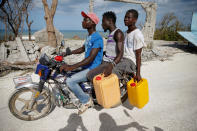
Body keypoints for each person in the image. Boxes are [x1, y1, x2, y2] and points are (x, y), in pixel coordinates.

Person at [60, 11, 103, 115]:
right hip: (88, 65)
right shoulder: (89, 36)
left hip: (93, 67)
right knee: (67, 73)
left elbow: (90, 59)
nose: (82, 21)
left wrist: (71, 66)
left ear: (92, 23)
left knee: (70, 81)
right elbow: (83, 48)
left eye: (85, 20)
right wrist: (67, 53)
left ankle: (86, 100)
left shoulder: (97, 38)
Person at [87, 11, 124, 81]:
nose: (102, 24)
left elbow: (120, 53)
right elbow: (111, 50)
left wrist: (112, 65)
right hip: (105, 61)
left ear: (110, 21)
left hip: (108, 63)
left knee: (90, 75)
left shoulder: (118, 33)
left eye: (103, 21)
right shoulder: (111, 33)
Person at [123, 9, 146, 82]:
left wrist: (138, 73)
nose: (125, 19)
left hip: (131, 61)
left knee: (114, 71)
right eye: (125, 17)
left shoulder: (137, 34)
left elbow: (138, 55)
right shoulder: (125, 33)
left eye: (128, 17)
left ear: (134, 20)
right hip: (124, 59)